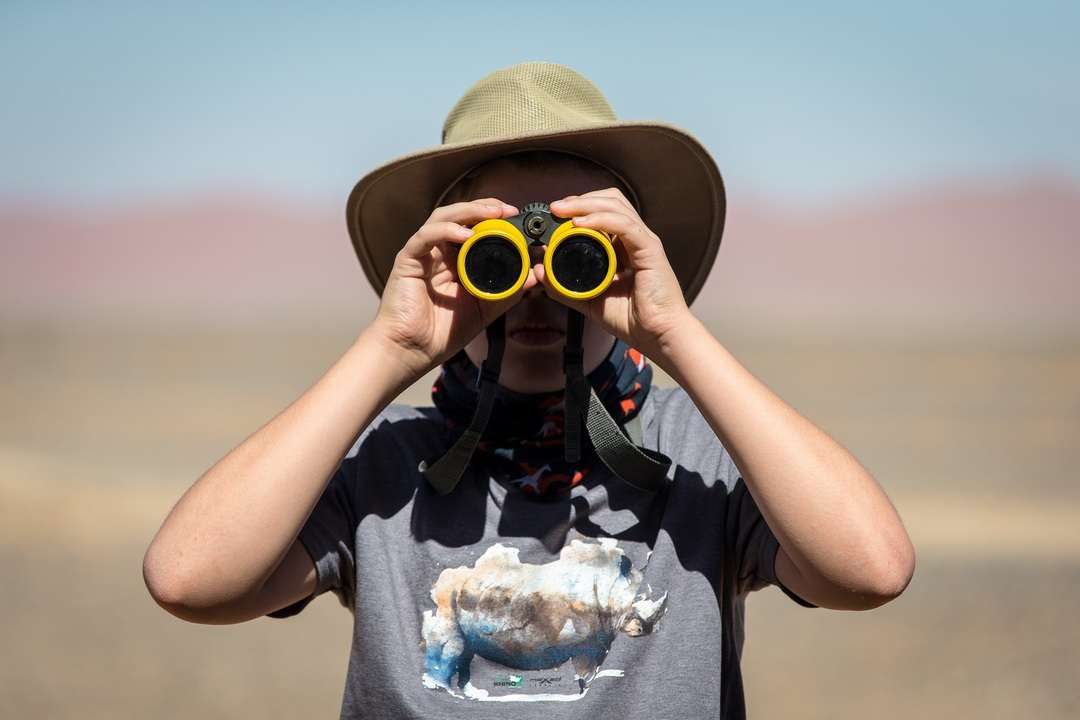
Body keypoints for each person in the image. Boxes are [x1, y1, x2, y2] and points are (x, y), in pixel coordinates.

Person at [143, 61, 915, 718]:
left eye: (582, 254)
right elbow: (188, 580)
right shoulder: (380, 469)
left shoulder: (703, 458)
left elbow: (871, 570)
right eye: (498, 255)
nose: (539, 291)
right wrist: (392, 346)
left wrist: (674, 332)